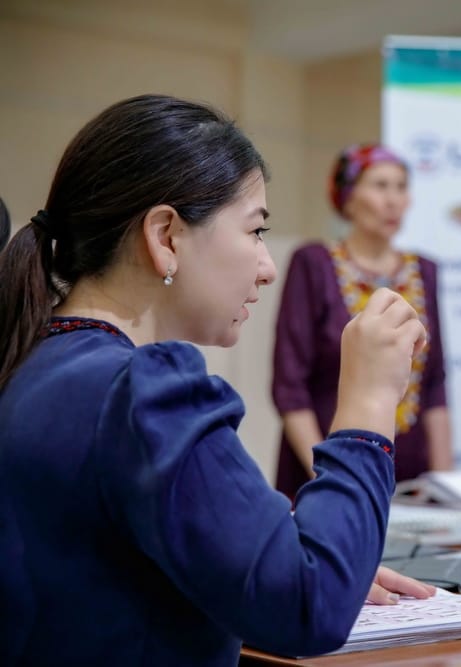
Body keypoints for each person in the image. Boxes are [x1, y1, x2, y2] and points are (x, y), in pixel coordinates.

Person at [0, 94, 435, 667]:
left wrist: (278, 549)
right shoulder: (145, 391)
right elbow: (311, 606)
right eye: (255, 230)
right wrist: (370, 399)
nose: (267, 264)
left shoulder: (34, 362)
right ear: (166, 235)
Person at [272, 143, 452, 498]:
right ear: (348, 196)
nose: (393, 200)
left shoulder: (425, 270)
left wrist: (447, 485)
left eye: (401, 187)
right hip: (326, 465)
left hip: (411, 477)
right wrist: (332, 479)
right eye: (380, 185)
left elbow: (435, 385)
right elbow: (290, 387)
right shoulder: (314, 263)